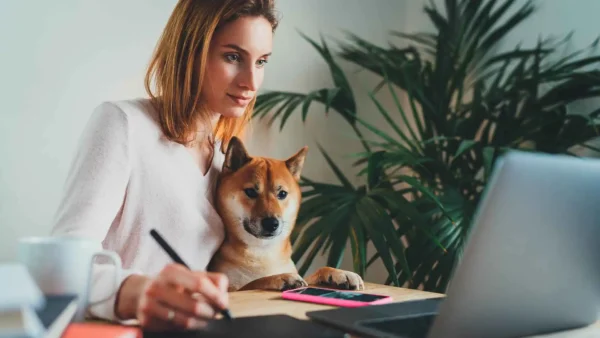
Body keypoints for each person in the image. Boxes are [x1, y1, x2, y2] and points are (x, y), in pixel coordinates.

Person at [50, 0, 278, 331]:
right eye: (233, 57)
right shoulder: (124, 124)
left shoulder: (224, 162)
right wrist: (132, 292)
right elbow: (61, 262)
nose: (251, 82)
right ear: (191, 51)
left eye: (261, 62)